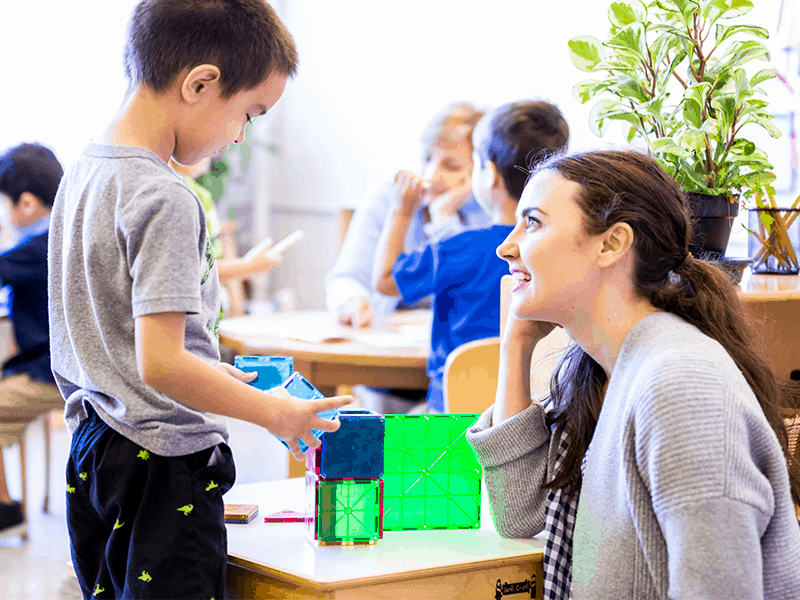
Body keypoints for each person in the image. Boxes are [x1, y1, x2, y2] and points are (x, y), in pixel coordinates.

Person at [47, 2, 351, 598]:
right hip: (160, 459)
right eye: (247, 114)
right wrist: (276, 414)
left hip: (94, 447)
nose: (239, 135)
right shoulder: (164, 195)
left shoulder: (85, 170)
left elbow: (111, 333)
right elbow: (160, 363)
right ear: (201, 83)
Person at [465, 149, 800, 599]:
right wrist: (516, 345)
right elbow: (521, 512)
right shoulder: (605, 370)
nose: (506, 246)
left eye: (534, 222)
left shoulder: (680, 384)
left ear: (612, 244)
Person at [373, 101, 570, 413]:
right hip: (535, 419)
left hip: (450, 423)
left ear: (488, 174)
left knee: (383, 433)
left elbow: (384, 281)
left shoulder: (461, 248)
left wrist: (402, 210)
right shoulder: (563, 251)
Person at [326, 102, 491, 330]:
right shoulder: (387, 198)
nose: (431, 175)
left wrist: (444, 215)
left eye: (451, 166)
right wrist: (351, 300)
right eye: (427, 158)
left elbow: (471, 290)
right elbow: (347, 278)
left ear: (482, 171)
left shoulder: (490, 210)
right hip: (387, 335)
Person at [0, 143, 65, 537]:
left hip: (51, 372)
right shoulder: (65, 232)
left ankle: (6, 509)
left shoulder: (39, 246)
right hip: (60, 365)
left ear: (25, 203)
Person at [170, 157, 281, 316]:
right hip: (191, 316)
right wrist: (247, 266)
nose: (214, 151)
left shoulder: (202, 195)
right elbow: (189, 269)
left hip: (213, 314)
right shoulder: (178, 195)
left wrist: (237, 311)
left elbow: (216, 253)